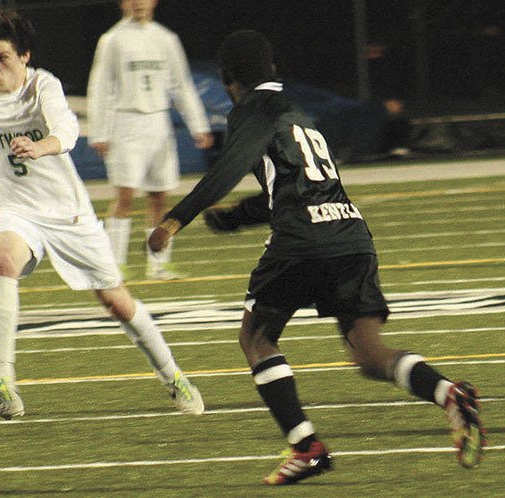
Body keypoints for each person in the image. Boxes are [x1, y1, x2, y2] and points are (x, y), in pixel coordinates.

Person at [149, 30, 487, 485]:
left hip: (301, 243)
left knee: (256, 338)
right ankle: (451, 394)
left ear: (227, 77)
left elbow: (230, 167)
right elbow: (291, 188)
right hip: (350, 236)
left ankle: (306, 446)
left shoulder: (253, 109)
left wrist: (175, 220)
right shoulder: (299, 114)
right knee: (370, 355)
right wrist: (233, 219)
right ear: (272, 68)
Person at [0, 9, 203, 420]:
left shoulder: (44, 86)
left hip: (67, 212)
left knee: (115, 300)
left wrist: (41, 146)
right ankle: (3, 381)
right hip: (15, 206)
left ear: (24, 56)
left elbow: (68, 131)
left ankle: (173, 376)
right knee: (4, 264)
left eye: (2, 57)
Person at [86, 0, 214, 280]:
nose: (138, 3)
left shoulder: (166, 39)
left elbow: (181, 84)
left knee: (159, 196)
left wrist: (198, 125)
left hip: (158, 123)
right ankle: (115, 264)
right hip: (125, 122)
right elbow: (100, 86)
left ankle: (158, 264)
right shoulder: (112, 40)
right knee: (125, 196)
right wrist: (99, 131)